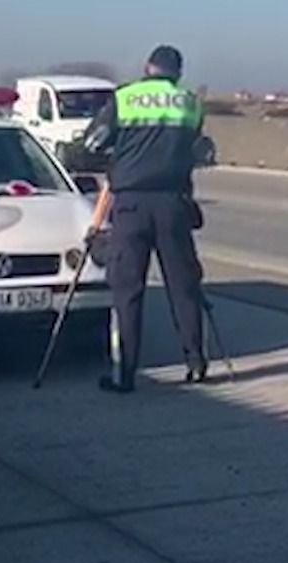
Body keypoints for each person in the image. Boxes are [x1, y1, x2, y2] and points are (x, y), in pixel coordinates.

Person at [80, 45, 209, 393]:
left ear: (148, 67)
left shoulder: (126, 98)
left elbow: (92, 143)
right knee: (183, 286)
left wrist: (119, 155)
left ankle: (125, 375)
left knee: (128, 290)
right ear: (178, 72)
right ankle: (196, 362)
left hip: (131, 205)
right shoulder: (191, 103)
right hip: (174, 203)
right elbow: (196, 148)